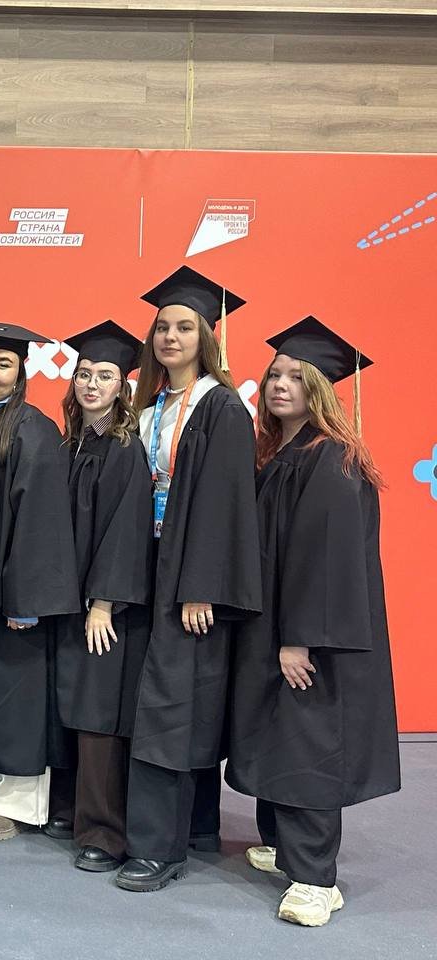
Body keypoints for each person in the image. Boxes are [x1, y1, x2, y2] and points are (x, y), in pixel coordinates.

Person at [226, 316, 399, 926]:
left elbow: (324, 558)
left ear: (321, 389)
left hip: (308, 635)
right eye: (275, 374)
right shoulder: (284, 453)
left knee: (308, 747)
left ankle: (316, 880)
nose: (280, 385)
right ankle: (282, 848)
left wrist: (298, 638)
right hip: (275, 626)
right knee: (279, 737)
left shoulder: (330, 458)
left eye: (297, 377)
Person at [116, 266, 262, 893]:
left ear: (206, 337)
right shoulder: (153, 406)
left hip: (187, 579)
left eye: (183, 327)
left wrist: (200, 584)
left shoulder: (220, 406)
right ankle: (197, 827)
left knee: (170, 710)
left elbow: (225, 501)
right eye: (161, 328)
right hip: (152, 566)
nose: (170, 337)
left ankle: (157, 849)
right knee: (178, 703)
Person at [0, 320, 81, 843]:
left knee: (14, 690)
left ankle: (17, 800)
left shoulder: (32, 430)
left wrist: (25, 598)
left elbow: (41, 520)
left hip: (6, 586)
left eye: (3, 364)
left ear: (20, 373)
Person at [54, 321, 153, 872]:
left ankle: (105, 831)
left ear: (123, 386)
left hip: (103, 609)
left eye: (105, 376)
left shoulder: (123, 448)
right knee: (74, 704)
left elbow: (126, 530)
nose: (92, 384)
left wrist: (104, 603)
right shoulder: (74, 443)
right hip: (71, 600)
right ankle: (70, 810)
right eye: (85, 374)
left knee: (100, 716)